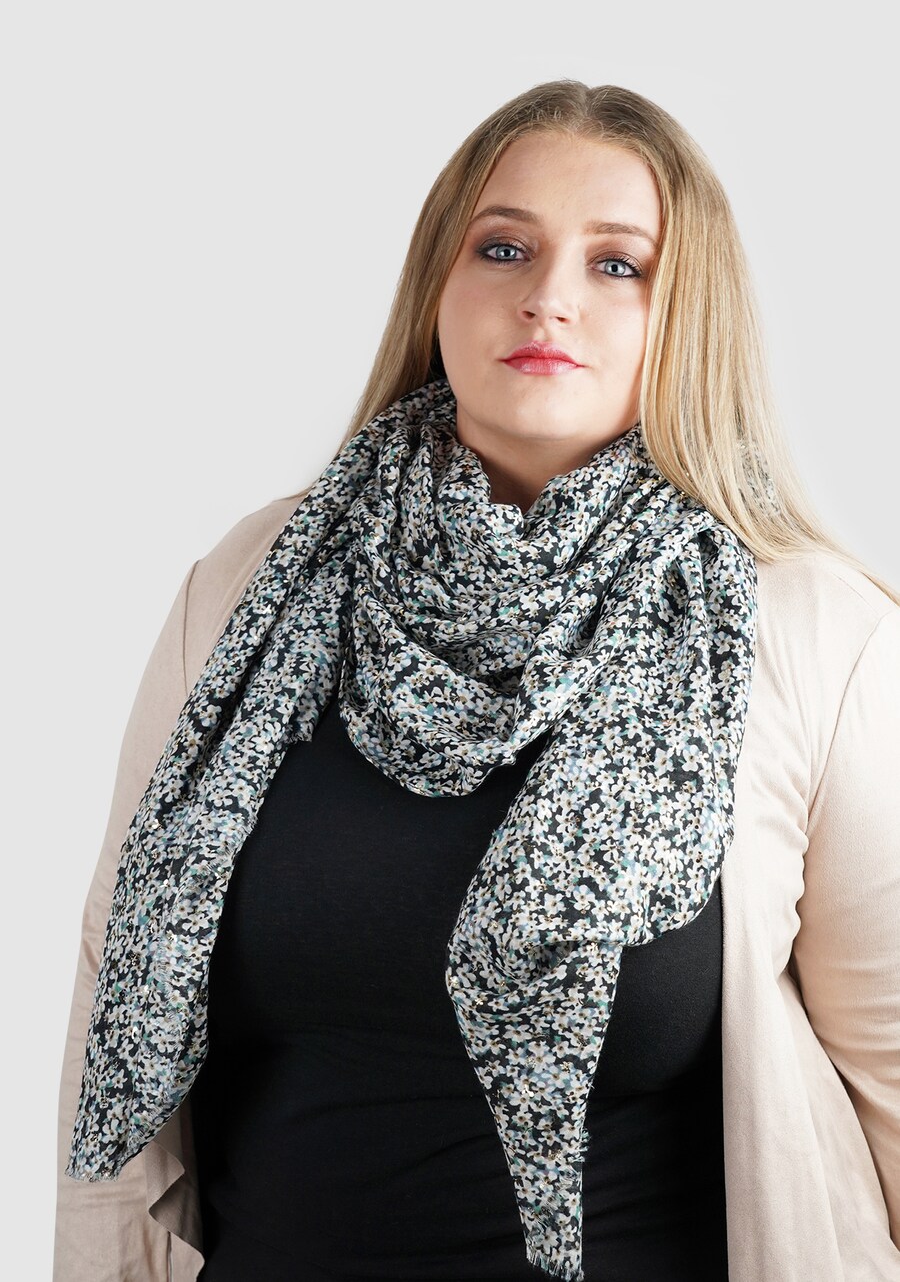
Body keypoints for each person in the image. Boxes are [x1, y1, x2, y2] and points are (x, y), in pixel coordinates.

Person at [54, 80, 900, 1282]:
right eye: (504, 247)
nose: (548, 295)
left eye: (618, 265)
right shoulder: (250, 586)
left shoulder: (811, 635)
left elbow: (891, 1081)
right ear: (436, 288)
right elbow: (114, 1004)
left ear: (689, 316)